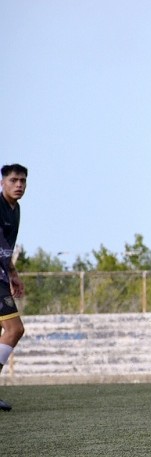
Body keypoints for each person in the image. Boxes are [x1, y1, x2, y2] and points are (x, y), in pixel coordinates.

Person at [0, 164, 28, 412]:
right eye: (13, 180)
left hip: (1, 275)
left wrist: (13, 273)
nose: (18, 185)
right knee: (14, 328)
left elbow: (6, 248)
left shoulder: (15, 209)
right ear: (2, 183)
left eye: (22, 181)